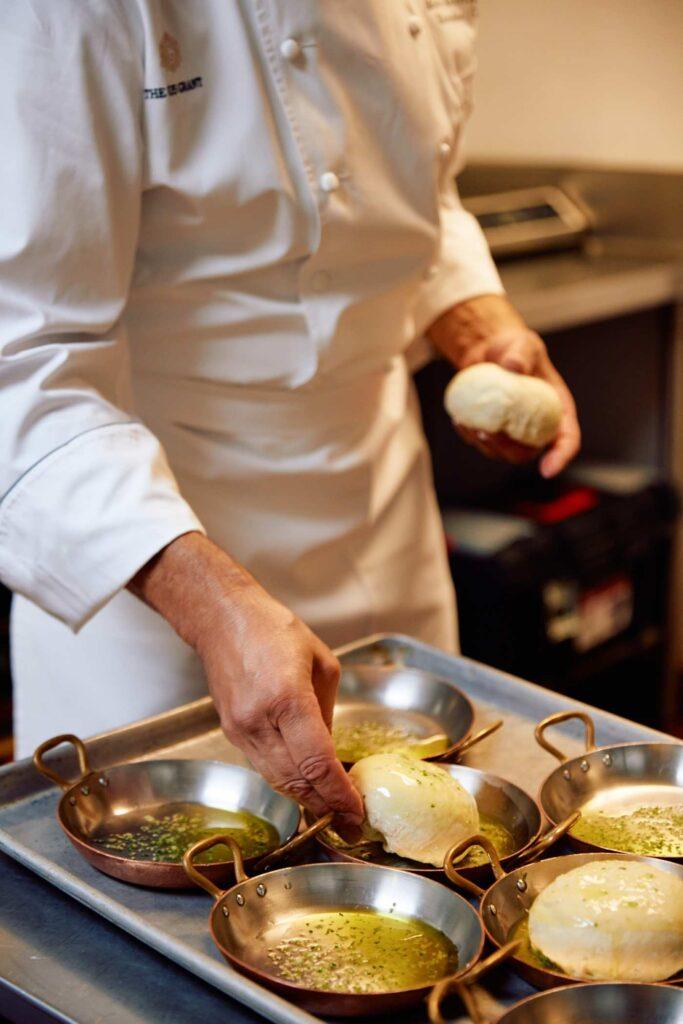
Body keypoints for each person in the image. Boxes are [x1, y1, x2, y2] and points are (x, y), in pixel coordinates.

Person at [0, 1, 579, 822]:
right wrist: (209, 609)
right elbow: (17, 357)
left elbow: (419, 188)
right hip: (153, 560)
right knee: (174, 889)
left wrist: (477, 318)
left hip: (383, 513)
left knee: (431, 844)